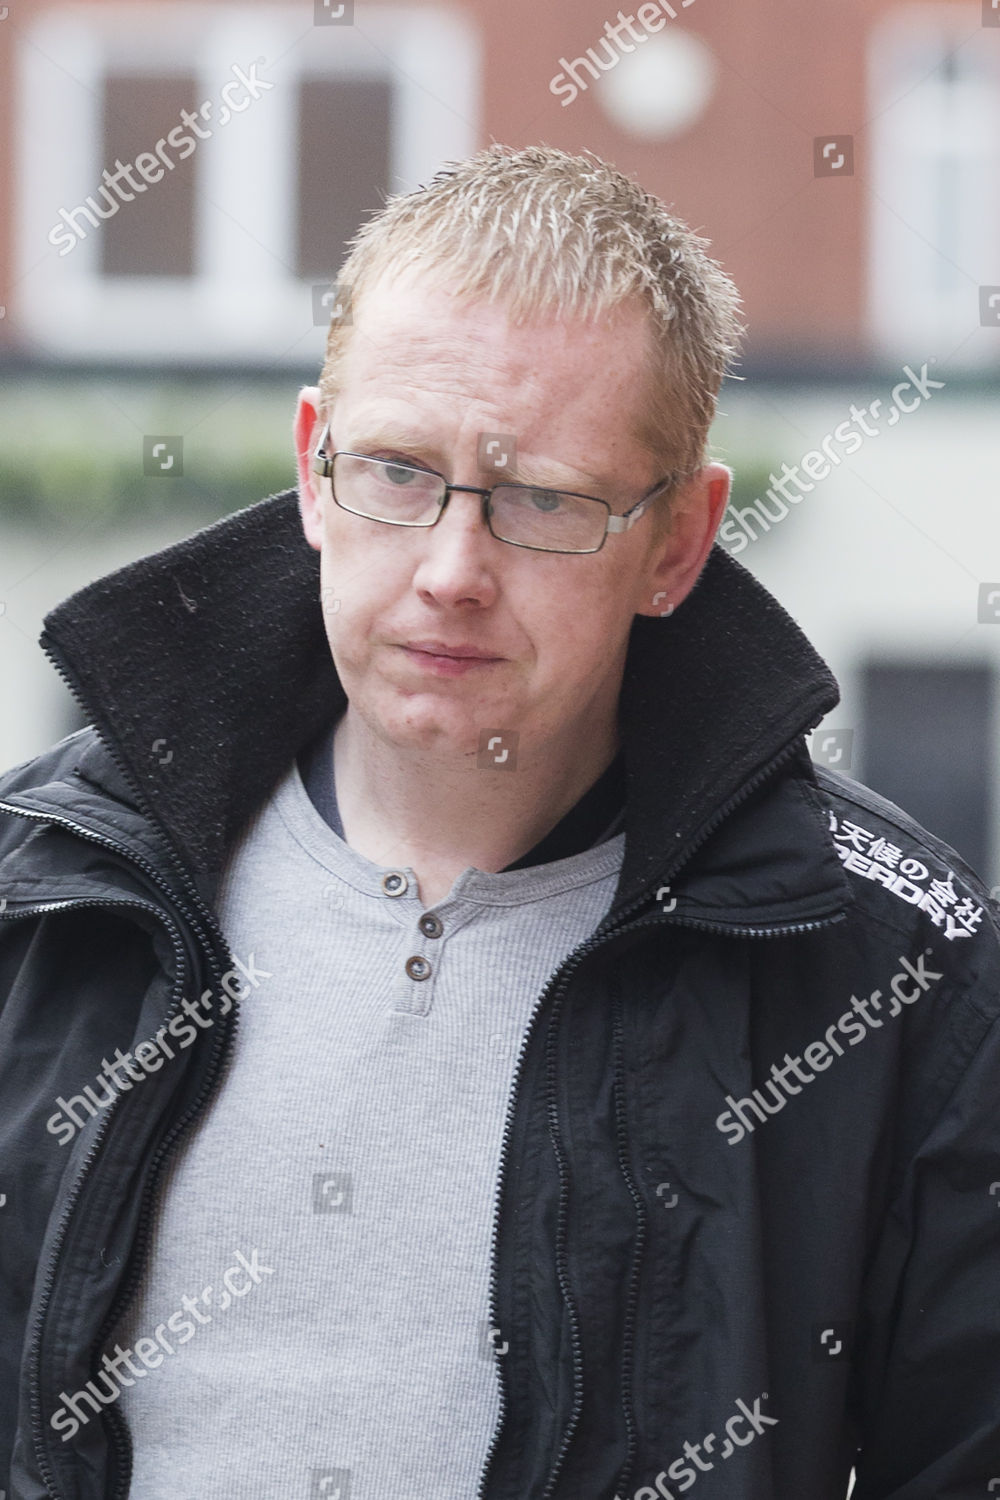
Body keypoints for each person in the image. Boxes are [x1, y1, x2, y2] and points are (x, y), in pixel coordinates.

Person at [1, 142, 998, 1500]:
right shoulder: (40, 898)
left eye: (543, 500)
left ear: (680, 543)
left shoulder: (907, 980)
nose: (453, 571)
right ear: (313, 465)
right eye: (400, 471)